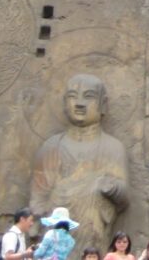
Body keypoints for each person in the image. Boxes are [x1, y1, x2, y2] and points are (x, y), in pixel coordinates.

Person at [31, 73, 130, 251]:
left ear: (103, 104)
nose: (79, 103)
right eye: (72, 96)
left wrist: (110, 187)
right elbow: (38, 196)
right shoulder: (52, 146)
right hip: (56, 232)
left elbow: (124, 199)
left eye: (88, 97)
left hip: (92, 231)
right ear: (64, 103)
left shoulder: (112, 147)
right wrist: (36, 221)